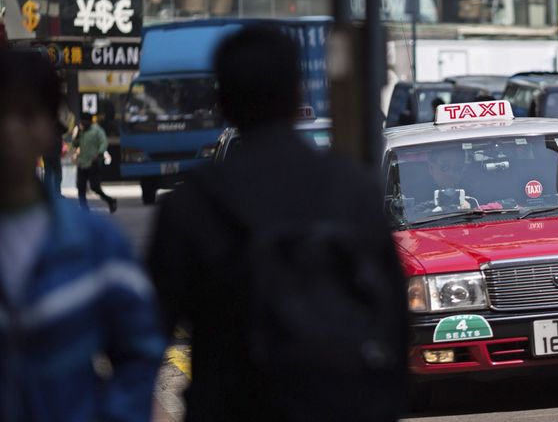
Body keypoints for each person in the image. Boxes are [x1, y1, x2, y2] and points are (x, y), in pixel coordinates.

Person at [147, 26, 408, 421]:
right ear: (298, 95)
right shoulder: (351, 187)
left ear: (222, 102)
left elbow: (147, 333)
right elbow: (394, 315)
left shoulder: (190, 205)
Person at [0, 49, 165, 422]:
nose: (9, 130)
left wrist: (113, 413)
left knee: (90, 191)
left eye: (27, 115)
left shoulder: (97, 244)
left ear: (48, 128)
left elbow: (140, 350)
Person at [73, 115, 117, 212]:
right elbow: (75, 144)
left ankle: (110, 201)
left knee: (95, 187)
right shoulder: (81, 131)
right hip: (82, 163)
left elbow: (103, 143)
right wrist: (77, 135)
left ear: (90, 122)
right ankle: (84, 209)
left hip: (93, 163)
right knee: (81, 187)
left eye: (85, 122)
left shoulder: (97, 130)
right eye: (82, 121)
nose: (83, 124)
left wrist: (99, 154)